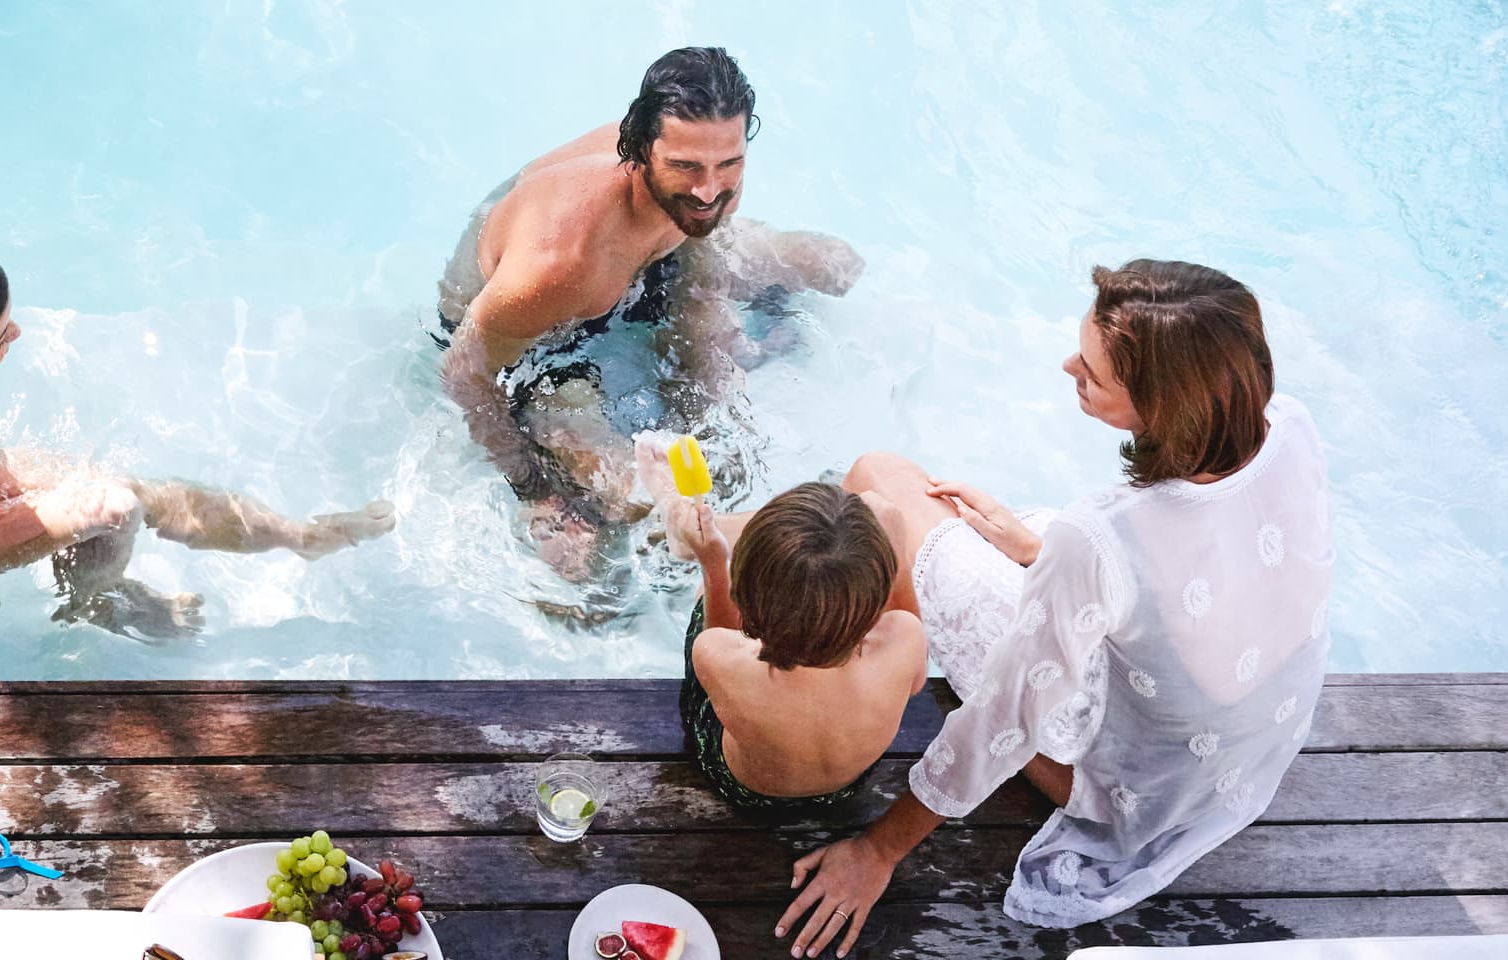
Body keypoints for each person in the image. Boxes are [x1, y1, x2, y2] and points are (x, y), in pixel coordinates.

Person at [777, 260, 1333, 957]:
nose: (1068, 365)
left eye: (1093, 373)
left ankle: (899, 662)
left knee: (879, 481)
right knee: (972, 517)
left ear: (1164, 404)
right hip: (1243, 766)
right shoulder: (1287, 423)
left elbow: (1004, 721)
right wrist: (1040, 551)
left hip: (1129, 796)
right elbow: (1216, 571)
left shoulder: (1101, 537)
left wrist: (877, 851)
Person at [0, 237, 396, 638]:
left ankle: (297, 534)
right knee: (113, 508)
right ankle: (95, 604)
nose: (16, 331)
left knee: (123, 487)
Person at [433, 46, 864, 578]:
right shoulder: (556, 263)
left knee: (833, 265)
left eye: (729, 164)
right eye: (686, 167)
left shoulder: (701, 177)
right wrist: (534, 487)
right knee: (625, 499)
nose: (710, 190)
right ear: (638, 151)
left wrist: (706, 365)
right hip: (546, 339)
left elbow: (701, 245)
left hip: (648, 261)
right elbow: (464, 371)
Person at [664, 482, 928, 815]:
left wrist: (715, 566)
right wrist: (898, 554)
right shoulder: (905, 638)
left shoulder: (725, 660)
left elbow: (721, 637)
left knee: (705, 598)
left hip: (744, 789)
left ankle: (698, 545)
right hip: (843, 790)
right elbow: (915, 683)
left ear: (744, 604)